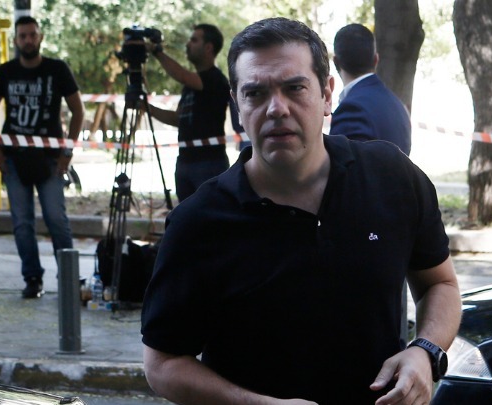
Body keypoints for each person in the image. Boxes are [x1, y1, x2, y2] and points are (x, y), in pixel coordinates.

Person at [141, 17, 462, 405]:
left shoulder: (392, 177)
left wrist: (425, 351)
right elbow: (162, 363)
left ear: (327, 94)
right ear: (237, 105)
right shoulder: (199, 221)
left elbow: (440, 285)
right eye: (255, 93)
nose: (277, 109)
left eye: (295, 88)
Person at [0, 16, 85, 298]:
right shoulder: (5, 72)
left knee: (56, 219)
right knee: (22, 223)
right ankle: (32, 278)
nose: (28, 40)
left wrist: (67, 151)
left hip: (51, 160)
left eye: (32, 35)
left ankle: (69, 278)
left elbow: (78, 110)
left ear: (40, 37)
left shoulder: (57, 69)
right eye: (23, 36)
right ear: (16, 40)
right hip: (14, 160)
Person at [148, 24, 232, 202]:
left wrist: (156, 52)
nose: (188, 44)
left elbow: (182, 75)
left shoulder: (215, 79)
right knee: (187, 216)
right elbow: (177, 119)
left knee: (209, 215)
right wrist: (147, 108)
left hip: (209, 163)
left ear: (208, 47)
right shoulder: (191, 85)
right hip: (185, 161)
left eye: (194, 40)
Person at [329, 23, 412, 155]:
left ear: (335, 62)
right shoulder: (397, 104)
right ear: (375, 60)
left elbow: (340, 165)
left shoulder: (351, 110)